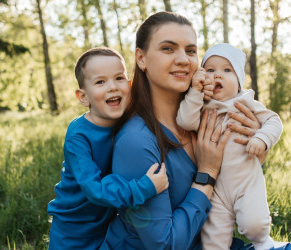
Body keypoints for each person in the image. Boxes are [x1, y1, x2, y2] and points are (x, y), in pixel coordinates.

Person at [102, 12, 267, 250]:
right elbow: (164, 245)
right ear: (141, 58)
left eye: (190, 51)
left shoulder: (208, 114)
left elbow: (236, 198)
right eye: (168, 49)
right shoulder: (136, 140)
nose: (184, 60)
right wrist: (207, 173)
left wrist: (254, 156)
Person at [47, 47, 169, 249]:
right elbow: (93, 190)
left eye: (119, 78)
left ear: (129, 85)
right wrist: (144, 188)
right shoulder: (78, 135)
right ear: (83, 97)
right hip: (74, 227)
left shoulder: (129, 122)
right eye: (100, 82)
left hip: (108, 222)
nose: (112, 87)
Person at [177, 43, 283, 250]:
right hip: (215, 188)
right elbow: (185, 121)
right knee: (213, 239)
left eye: (227, 70)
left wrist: (261, 138)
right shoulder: (201, 105)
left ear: (238, 82)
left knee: (256, 225)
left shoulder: (244, 103)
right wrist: (195, 92)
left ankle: (264, 244)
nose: (217, 75)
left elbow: (274, 121)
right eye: (210, 70)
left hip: (245, 180)